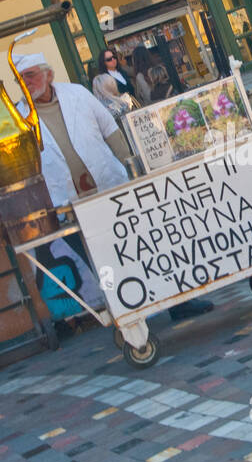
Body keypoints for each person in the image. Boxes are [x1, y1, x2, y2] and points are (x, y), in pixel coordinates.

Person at [13, 50, 213, 322]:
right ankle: (132, 317)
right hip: (68, 204)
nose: (26, 82)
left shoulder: (77, 94)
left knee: (146, 246)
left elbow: (110, 130)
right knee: (103, 264)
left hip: (111, 187)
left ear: (48, 74)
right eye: (19, 79)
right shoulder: (17, 116)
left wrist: (131, 169)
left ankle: (179, 302)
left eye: (30, 75)